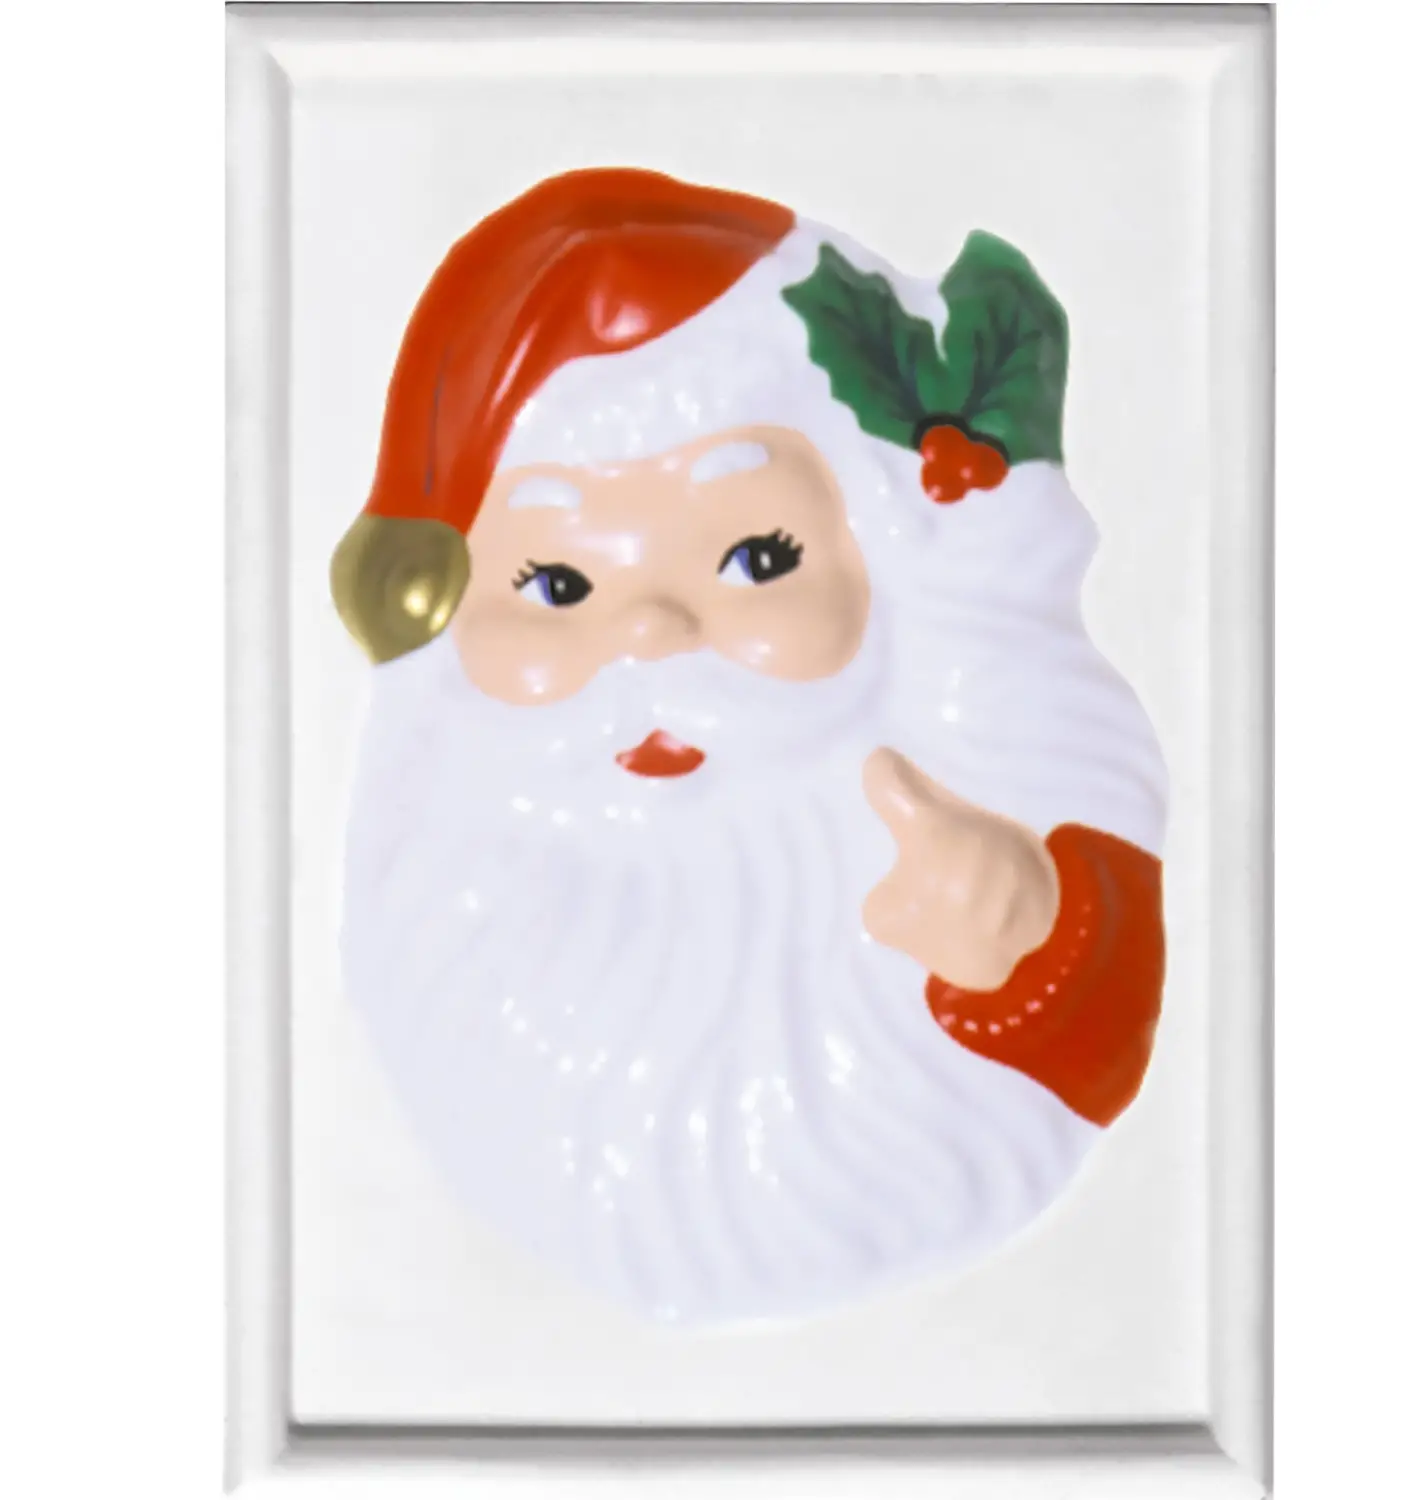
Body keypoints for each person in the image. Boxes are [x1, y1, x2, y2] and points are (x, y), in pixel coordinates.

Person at [332, 168, 1168, 1324]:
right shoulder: (437, 954)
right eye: (559, 583)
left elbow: (1105, 1025)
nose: (653, 635)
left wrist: (1026, 949)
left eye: (758, 560)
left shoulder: (963, 756)